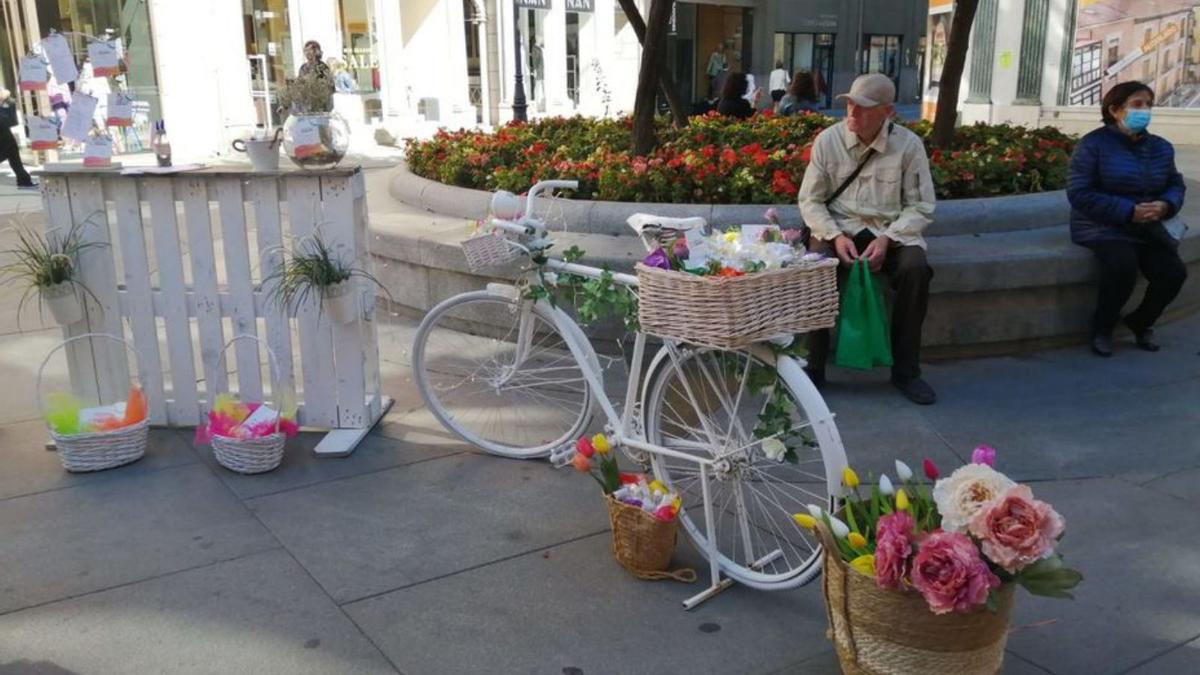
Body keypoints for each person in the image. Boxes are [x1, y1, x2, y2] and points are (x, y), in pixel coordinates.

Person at [798, 74, 937, 404]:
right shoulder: (828, 141)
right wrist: (834, 235)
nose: (852, 113)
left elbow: (921, 205)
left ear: (887, 112)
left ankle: (907, 371)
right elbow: (810, 201)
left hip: (890, 230)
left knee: (915, 270)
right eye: (849, 104)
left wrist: (888, 238)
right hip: (839, 227)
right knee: (817, 266)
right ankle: (812, 368)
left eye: (863, 108)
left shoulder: (908, 145)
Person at [1067, 81, 1188, 357]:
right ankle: (1102, 328)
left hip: (1148, 226)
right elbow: (1080, 193)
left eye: (1148, 104)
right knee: (1122, 268)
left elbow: (1175, 184)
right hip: (1103, 226)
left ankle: (1140, 322)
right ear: (1115, 110)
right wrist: (1127, 211)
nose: (1144, 110)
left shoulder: (1160, 147)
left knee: (1173, 273)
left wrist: (1165, 205)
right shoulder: (1093, 145)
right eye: (1136, 105)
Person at [0, 89, 36, 189]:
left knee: (14, 157)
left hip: (5, 135)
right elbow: (9, 120)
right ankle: (24, 180)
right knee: (11, 154)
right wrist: (7, 99)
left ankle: (24, 180)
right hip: (3, 134)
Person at [298, 40, 335, 108]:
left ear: (316, 51)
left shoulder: (323, 67)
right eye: (305, 50)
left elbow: (331, 87)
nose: (307, 53)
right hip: (306, 106)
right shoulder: (303, 68)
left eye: (310, 50)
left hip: (321, 107)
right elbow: (298, 86)